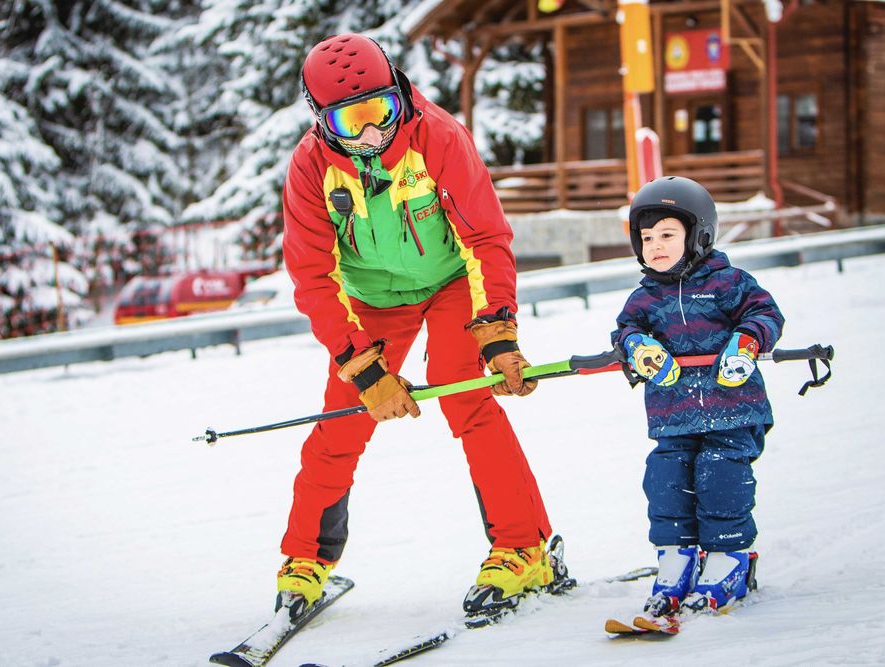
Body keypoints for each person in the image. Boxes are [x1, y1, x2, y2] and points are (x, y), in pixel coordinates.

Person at [276, 33, 565, 620]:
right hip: (374, 301)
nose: (369, 133)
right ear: (320, 120)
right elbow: (313, 277)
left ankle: (522, 547)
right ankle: (306, 560)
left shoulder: (436, 136)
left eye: (378, 110)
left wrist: (498, 335)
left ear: (397, 93)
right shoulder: (311, 169)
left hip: (451, 282)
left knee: (468, 400)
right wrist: (366, 370)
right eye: (349, 119)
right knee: (341, 422)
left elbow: (485, 237)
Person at [611, 176, 785, 621]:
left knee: (719, 475)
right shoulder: (645, 297)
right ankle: (677, 560)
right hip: (673, 414)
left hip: (732, 409)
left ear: (700, 236)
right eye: (646, 238)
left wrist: (746, 342)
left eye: (667, 234)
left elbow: (765, 313)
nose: (656, 246)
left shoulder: (729, 283)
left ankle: (729, 560)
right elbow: (625, 331)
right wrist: (638, 347)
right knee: (665, 477)